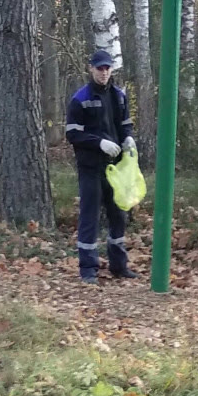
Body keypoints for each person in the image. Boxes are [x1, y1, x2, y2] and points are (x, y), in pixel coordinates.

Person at [64, 48, 136, 283]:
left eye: (107, 68)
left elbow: (125, 124)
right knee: (90, 217)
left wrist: (127, 138)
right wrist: (99, 143)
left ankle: (119, 265)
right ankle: (88, 269)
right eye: (100, 68)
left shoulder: (118, 96)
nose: (104, 73)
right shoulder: (80, 99)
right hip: (90, 167)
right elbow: (73, 134)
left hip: (115, 167)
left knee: (118, 216)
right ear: (91, 69)